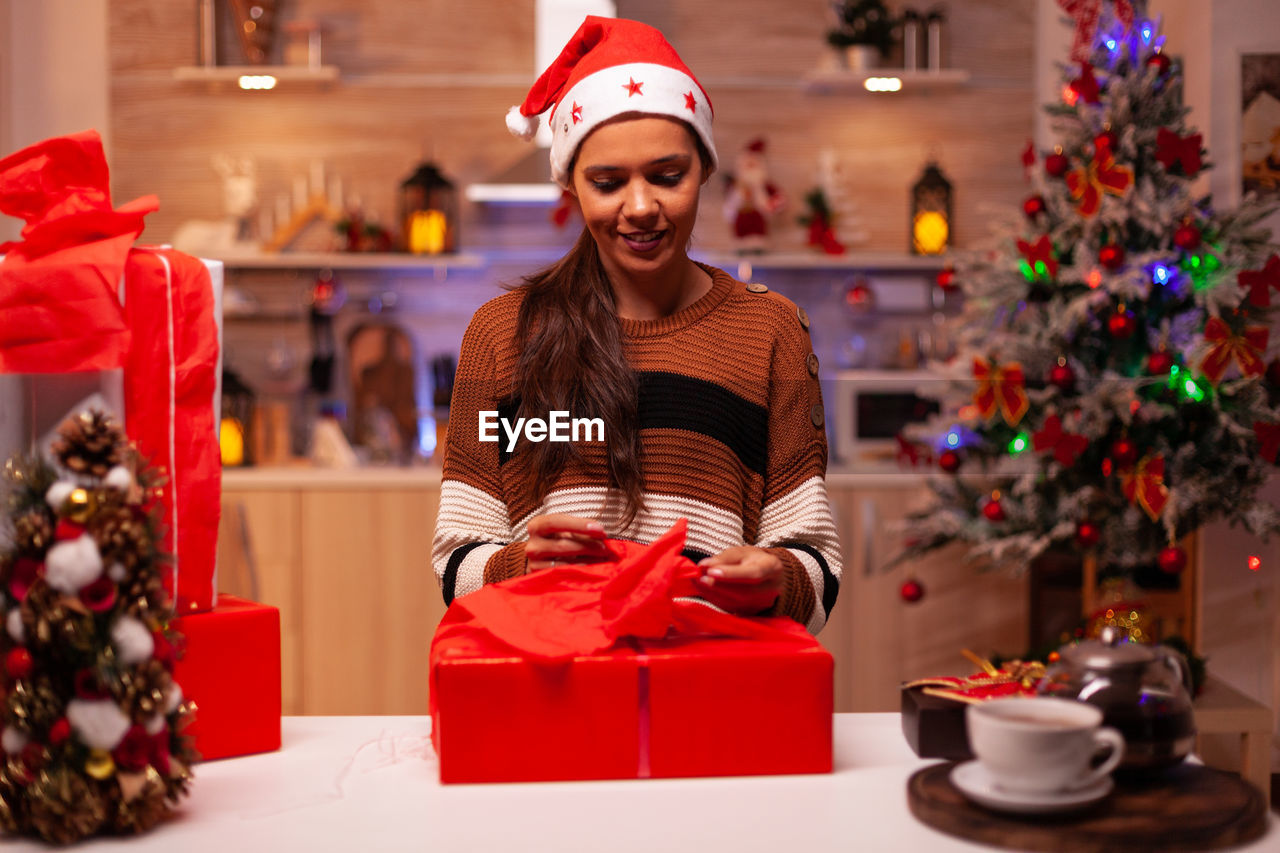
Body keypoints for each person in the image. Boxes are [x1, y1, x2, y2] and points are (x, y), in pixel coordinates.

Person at [431, 16, 842, 634]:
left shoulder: (769, 330)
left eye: (667, 176)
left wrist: (778, 579)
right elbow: (456, 560)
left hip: (708, 689)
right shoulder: (502, 335)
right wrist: (519, 563)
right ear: (571, 185)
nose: (641, 206)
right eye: (607, 182)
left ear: (703, 169)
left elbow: (817, 569)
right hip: (554, 684)